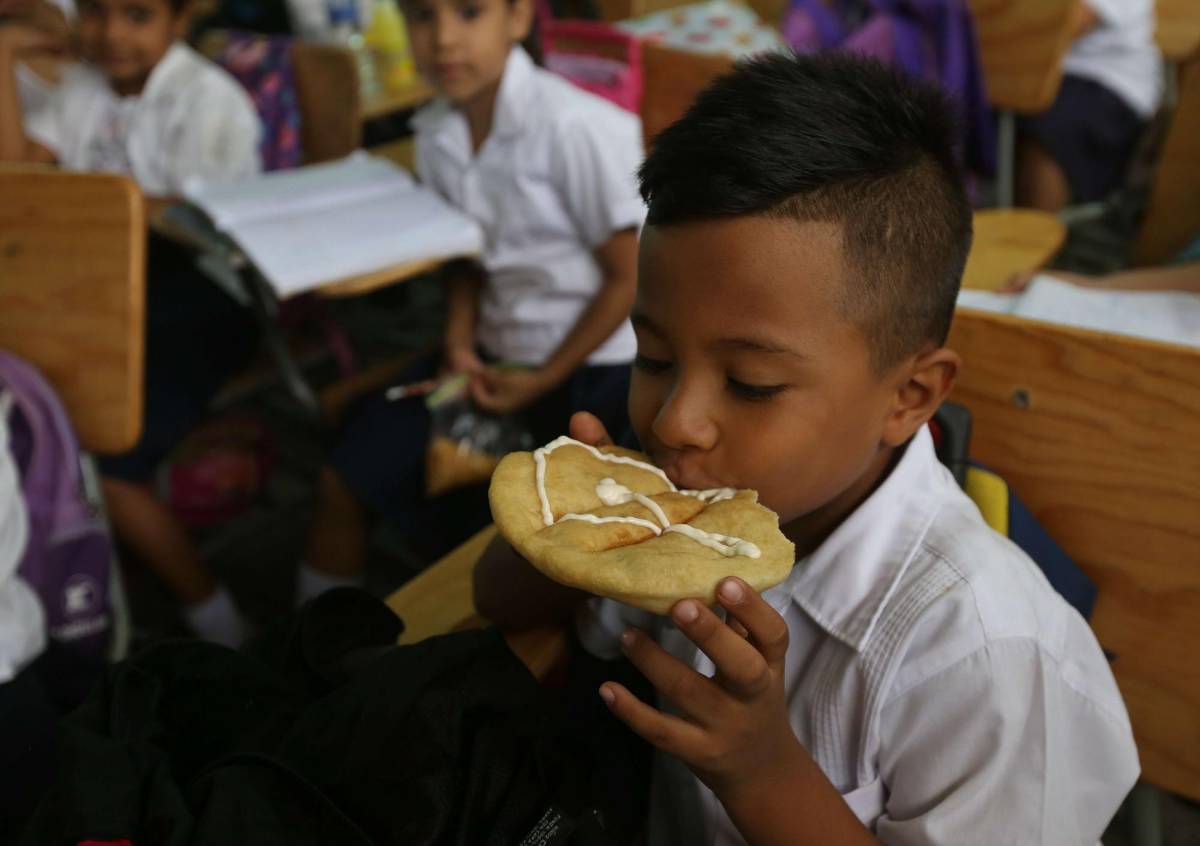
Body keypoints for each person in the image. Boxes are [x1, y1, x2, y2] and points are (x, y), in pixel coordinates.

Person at [475, 53, 1139, 845]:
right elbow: (498, 601)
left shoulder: (983, 655)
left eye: (751, 383)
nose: (676, 422)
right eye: (653, 359)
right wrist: (562, 527)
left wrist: (761, 772)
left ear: (910, 397)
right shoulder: (671, 506)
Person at [298, 0, 642, 599]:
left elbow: (630, 278)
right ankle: (316, 658)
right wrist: (458, 341)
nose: (443, 39)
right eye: (422, 17)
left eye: (469, 13)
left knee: (531, 548)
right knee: (342, 479)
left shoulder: (576, 127)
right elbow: (467, 260)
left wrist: (544, 377)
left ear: (518, 18)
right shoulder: (437, 132)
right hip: (489, 361)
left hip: (591, 370)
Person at [0, 0, 263, 646]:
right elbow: (17, 174)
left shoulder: (210, 99)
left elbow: (205, 229)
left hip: (199, 294)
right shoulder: (83, 90)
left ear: (180, 21)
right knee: (30, 399)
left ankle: (222, 622)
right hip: (98, 287)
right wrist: (3, 56)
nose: (112, 33)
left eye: (138, 14)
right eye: (94, 11)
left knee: (102, 448)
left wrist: (100, 201)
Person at [1017, 0, 1162, 211]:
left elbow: (1066, 25)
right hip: (1029, 72)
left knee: (1051, 126)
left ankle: (1030, 237)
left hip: (1107, 82)